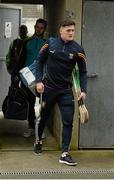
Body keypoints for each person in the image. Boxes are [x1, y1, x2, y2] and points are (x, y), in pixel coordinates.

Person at [34, 19, 87, 166]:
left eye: (73, 30)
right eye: (68, 30)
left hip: (65, 91)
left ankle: (64, 153)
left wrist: (83, 90)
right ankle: (38, 141)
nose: (71, 33)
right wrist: (38, 81)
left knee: (68, 121)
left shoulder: (78, 50)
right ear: (61, 30)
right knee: (43, 118)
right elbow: (39, 61)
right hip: (48, 89)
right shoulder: (50, 43)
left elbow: (83, 71)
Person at [19, 18, 47, 137]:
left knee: (43, 104)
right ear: (34, 27)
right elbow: (20, 60)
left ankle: (40, 128)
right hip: (28, 77)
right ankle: (31, 127)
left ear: (44, 29)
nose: (39, 29)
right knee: (30, 103)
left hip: (43, 77)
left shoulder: (47, 43)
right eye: (37, 27)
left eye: (42, 28)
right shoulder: (27, 42)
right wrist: (17, 75)